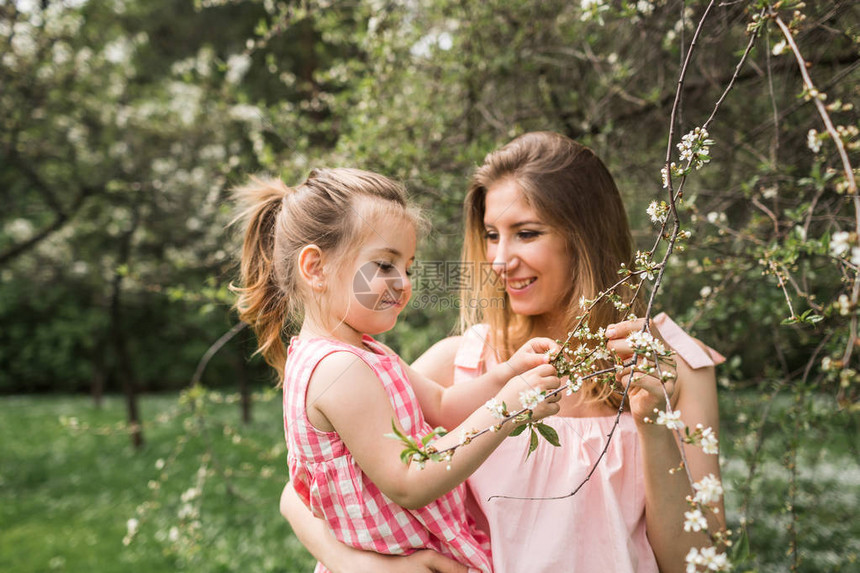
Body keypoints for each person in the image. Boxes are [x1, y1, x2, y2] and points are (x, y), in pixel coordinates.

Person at [280, 134, 726, 573]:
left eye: (526, 233)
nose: (500, 260)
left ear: (586, 237)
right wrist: (358, 566)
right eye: (492, 235)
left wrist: (653, 424)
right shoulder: (459, 361)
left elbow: (698, 567)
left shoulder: (672, 363)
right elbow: (306, 489)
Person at [232, 167, 564, 573]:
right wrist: (505, 411)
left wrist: (506, 375)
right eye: (385, 265)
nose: (404, 283)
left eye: (407, 267)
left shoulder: (366, 352)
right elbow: (408, 482)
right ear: (315, 268)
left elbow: (441, 405)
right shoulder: (338, 369)